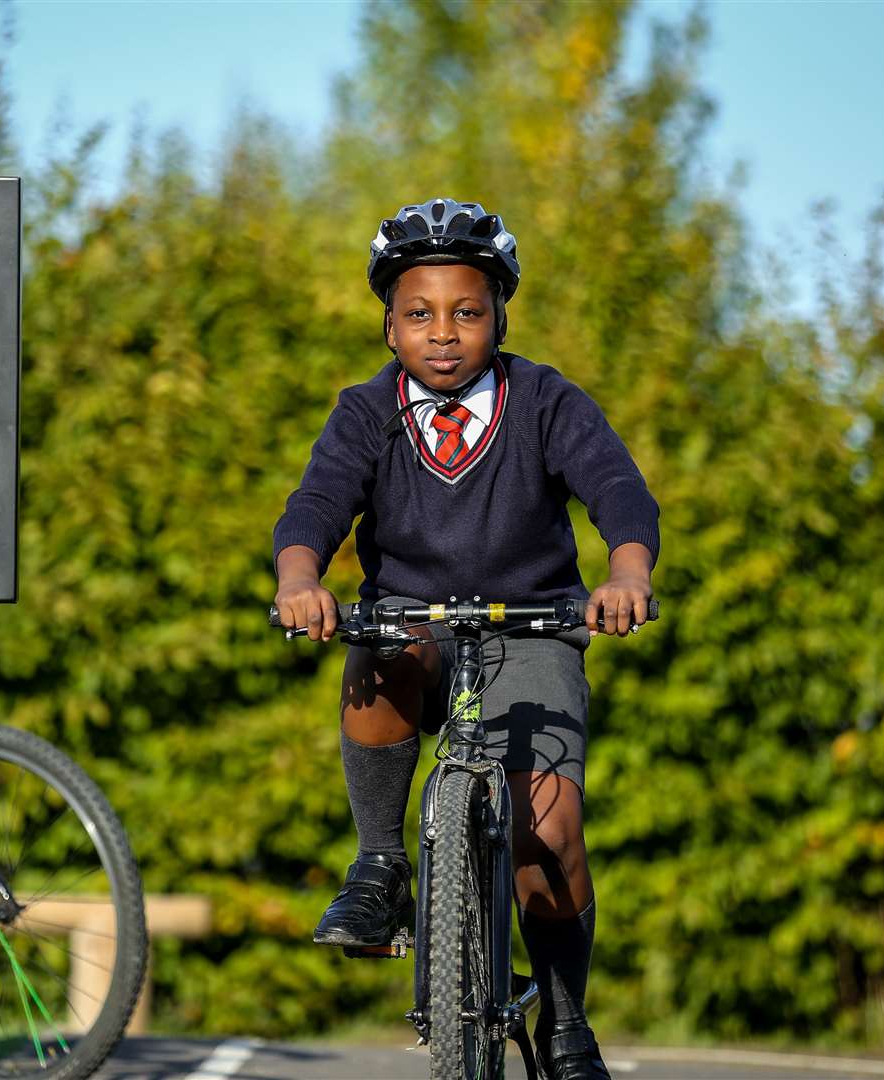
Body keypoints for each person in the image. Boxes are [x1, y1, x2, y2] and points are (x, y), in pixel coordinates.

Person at [272, 200, 660, 1080]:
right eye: (419, 313)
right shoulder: (367, 412)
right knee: (379, 651)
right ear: (388, 323)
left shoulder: (547, 402)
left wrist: (627, 574)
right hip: (413, 623)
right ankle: (380, 866)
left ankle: (565, 1020)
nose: (442, 333)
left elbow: (620, 494)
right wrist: (302, 582)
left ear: (499, 317)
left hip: (531, 629)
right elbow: (317, 505)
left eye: (466, 311)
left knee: (548, 831)